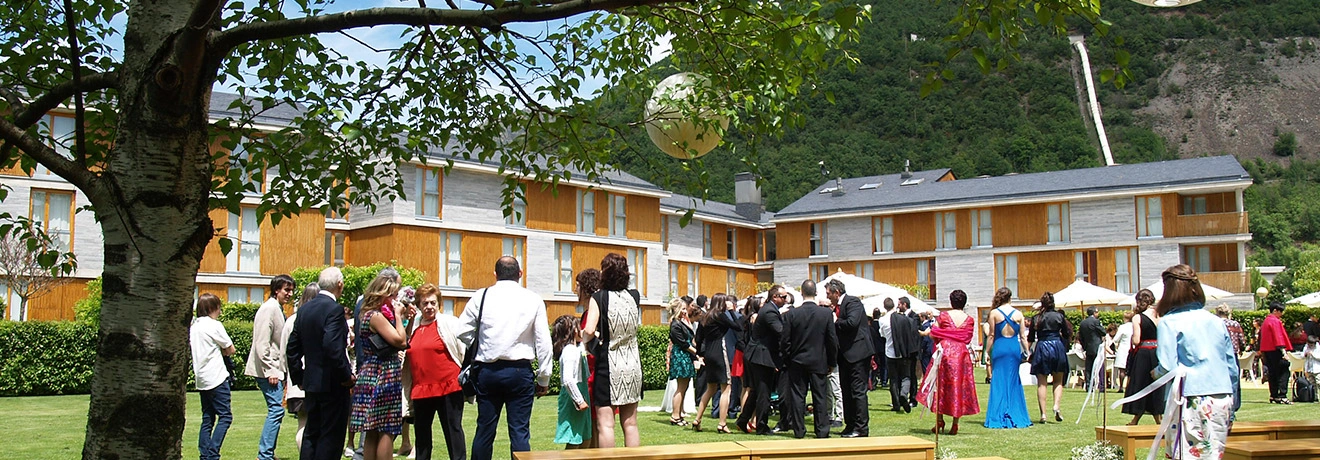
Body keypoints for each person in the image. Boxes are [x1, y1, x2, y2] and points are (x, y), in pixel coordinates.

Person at [458, 256, 553, 460]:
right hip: (519, 371)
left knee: (484, 429)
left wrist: (480, 343)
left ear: (495, 274)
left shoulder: (481, 296)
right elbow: (543, 341)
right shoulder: (533, 299)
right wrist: (544, 378)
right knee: (519, 431)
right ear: (520, 274)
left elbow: (462, 330)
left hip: (488, 370)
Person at [1153, 265, 1240, 460]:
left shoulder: (1169, 322)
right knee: (1213, 455)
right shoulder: (1217, 321)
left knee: (1185, 454)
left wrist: (1155, 373)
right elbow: (1232, 368)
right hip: (1221, 397)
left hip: (1189, 398)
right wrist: (1233, 408)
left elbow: (1168, 367)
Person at [288, 267, 354, 460]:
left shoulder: (304, 309)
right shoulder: (334, 310)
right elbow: (333, 347)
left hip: (311, 383)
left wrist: (299, 376)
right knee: (331, 437)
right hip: (333, 383)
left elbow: (292, 347)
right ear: (339, 285)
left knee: (311, 433)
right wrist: (346, 376)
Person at [582, 253, 644, 447]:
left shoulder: (598, 297)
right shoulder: (634, 296)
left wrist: (581, 340)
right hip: (633, 364)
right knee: (631, 423)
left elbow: (590, 330)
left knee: (606, 424)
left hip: (609, 366)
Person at [349, 275, 408, 460]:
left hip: (370, 372)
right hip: (383, 374)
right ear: (382, 294)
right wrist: (398, 316)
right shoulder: (376, 316)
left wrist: (406, 320)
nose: (395, 300)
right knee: (387, 429)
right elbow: (400, 341)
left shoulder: (365, 314)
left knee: (372, 429)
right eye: (393, 295)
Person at [405, 284, 466, 460]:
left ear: (438, 303)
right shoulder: (413, 326)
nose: (429, 307)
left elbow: (462, 348)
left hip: (448, 387)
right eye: (425, 303)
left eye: (433, 302)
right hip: (421, 389)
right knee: (422, 436)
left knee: (453, 431)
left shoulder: (449, 323)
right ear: (419, 305)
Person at [244, 274, 295, 460]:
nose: (289, 294)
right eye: (286, 290)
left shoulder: (277, 308)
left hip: (274, 368)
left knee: (276, 410)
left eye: (291, 290)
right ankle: (264, 455)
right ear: (276, 290)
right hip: (268, 370)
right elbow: (261, 343)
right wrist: (271, 370)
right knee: (276, 410)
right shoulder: (269, 309)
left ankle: (267, 453)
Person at [780, 280, 838, 439]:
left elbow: (785, 341)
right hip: (819, 361)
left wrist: (787, 358)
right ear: (816, 294)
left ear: (801, 293)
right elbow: (832, 340)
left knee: (798, 397)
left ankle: (799, 430)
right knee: (820, 397)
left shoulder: (792, 314)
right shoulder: (825, 314)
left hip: (797, 361)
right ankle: (822, 430)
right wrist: (832, 362)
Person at [916, 290, 980, 435]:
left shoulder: (944, 316)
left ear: (951, 301)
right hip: (962, 354)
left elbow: (933, 333)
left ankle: (939, 420)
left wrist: (942, 338)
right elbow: (967, 338)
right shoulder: (969, 319)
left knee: (940, 386)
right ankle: (955, 424)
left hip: (944, 352)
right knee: (959, 386)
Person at [826, 279, 873, 438]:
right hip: (845, 356)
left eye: (828, 294)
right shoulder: (838, 307)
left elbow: (852, 323)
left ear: (836, 293)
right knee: (846, 391)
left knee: (857, 392)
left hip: (858, 354)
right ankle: (850, 424)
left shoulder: (853, 302)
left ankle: (861, 427)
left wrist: (835, 321)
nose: (827, 297)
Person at [191, 293, 235, 460]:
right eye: (218, 307)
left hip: (201, 378)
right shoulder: (214, 325)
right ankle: (212, 453)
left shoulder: (194, 327)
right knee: (225, 416)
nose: (220, 311)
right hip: (216, 376)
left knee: (207, 417)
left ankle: (204, 453)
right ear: (211, 309)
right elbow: (230, 349)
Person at [692, 293, 741, 434]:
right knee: (726, 388)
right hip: (720, 352)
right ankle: (722, 423)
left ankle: (697, 419)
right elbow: (738, 327)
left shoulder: (705, 317)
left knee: (710, 389)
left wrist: (700, 355)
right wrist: (731, 311)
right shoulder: (720, 316)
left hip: (709, 354)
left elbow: (698, 339)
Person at [983, 287, 1032, 429]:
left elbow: (991, 335)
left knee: (998, 380)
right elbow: (1023, 336)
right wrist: (1027, 352)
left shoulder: (994, 313)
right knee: (1013, 380)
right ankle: (1014, 411)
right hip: (1013, 348)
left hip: (1000, 347)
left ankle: (998, 412)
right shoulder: (1018, 314)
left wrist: (987, 352)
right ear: (1010, 298)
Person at [281, 283, 320, 451]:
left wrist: (286, 376)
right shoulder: (319, 319)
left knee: (303, 424)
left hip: (295, 382)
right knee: (313, 426)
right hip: (313, 380)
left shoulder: (291, 320)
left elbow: (285, 352)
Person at [736, 294, 782, 435]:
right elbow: (780, 330)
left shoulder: (768, 310)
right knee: (764, 392)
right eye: (783, 296)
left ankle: (743, 420)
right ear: (775, 296)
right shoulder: (769, 311)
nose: (786, 299)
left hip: (757, 355)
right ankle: (761, 425)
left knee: (756, 391)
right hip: (761, 357)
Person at [1123, 289, 1165, 425]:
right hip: (1159, 352)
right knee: (1157, 384)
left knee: (1140, 385)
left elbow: (1136, 340)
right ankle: (1158, 418)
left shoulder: (1138, 318)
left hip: (1144, 353)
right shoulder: (1161, 315)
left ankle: (1135, 418)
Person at [1028, 292, 1071, 423]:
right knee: (1058, 381)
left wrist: (1027, 352)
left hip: (1042, 347)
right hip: (1057, 346)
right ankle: (1056, 406)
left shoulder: (1036, 318)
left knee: (1042, 383)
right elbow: (1067, 332)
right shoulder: (1059, 316)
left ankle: (1043, 414)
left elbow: (1030, 338)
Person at [552, 315, 592, 449]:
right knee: (574, 439)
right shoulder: (569, 351)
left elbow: (585, 343)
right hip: (574, 398)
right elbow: (568, 379)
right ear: (574, 331)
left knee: (585, 437)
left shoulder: (577, 348)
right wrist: (579, 400)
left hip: (581, 393)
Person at [572, 268, 602, 448]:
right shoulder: (588, 310)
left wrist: (575, 335)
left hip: (592, 373)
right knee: (592, 425)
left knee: (592, 425)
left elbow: (590, 333)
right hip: (588, 371)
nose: (575, 290)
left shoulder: (593, 307)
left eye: (577, 285)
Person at [879, 297, 920, 413]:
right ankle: (903, 393)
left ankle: (896, 403)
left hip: (890, 352)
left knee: (893, 379)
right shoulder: (903, 319)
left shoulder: (882, 320)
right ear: (894, 306)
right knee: (906, 376)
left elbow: (882, 334)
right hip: (903, 353)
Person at [668, 297, 697, 427]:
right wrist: (697, 352)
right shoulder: (675, 325)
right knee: (681, 387)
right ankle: (675, 416)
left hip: (685, 356)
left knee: (684, 387)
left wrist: (687, 321)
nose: (686, 312)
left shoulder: (682, 322)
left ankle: (679, 414)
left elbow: (691, 334)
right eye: (683, 309)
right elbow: (684, 343)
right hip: (681, 356)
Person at [1259, 301, 1292, 404]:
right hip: (1275, 350)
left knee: (1272, 373)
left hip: (1267, 350)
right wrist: (1284, 352)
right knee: (1284, 371)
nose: (1281, 314)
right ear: (1275, 311)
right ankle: (1282, 395)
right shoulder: (1275, 321)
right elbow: (1278, 337)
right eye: (1280, 311)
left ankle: (1274, 395)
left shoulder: (1265, 321)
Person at [1079, 306, 1105, 392]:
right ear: (1094, 313)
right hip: (1097, 347)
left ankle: (1088, 386)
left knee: (1088, 368)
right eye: (1097, 312)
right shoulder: (1096, 321)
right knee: (1100, 366)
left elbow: (1081, 337)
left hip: (1088, 348)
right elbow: (1103, 332)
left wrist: (1084, 346)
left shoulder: (1083, 323)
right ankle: (1102, 386)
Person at [1112, 310, 1135, 394]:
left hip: (1123, 349)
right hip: (1132, 348)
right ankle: (1130, 387)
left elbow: (1116, 339)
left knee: (1122, 370)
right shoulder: (1134, 326)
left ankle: (1121, 387)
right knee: (1132, 369)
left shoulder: (1122, 327)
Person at [1304, 312, 1320, 385]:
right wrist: (1305, 354)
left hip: (1317, 368)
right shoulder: (1314, 325)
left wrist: (1312, 354)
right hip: (1309, 368)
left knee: (1318, 383)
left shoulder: (1317, 347)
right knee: (1312, 384)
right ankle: (1313, 396)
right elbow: (1302, 354)